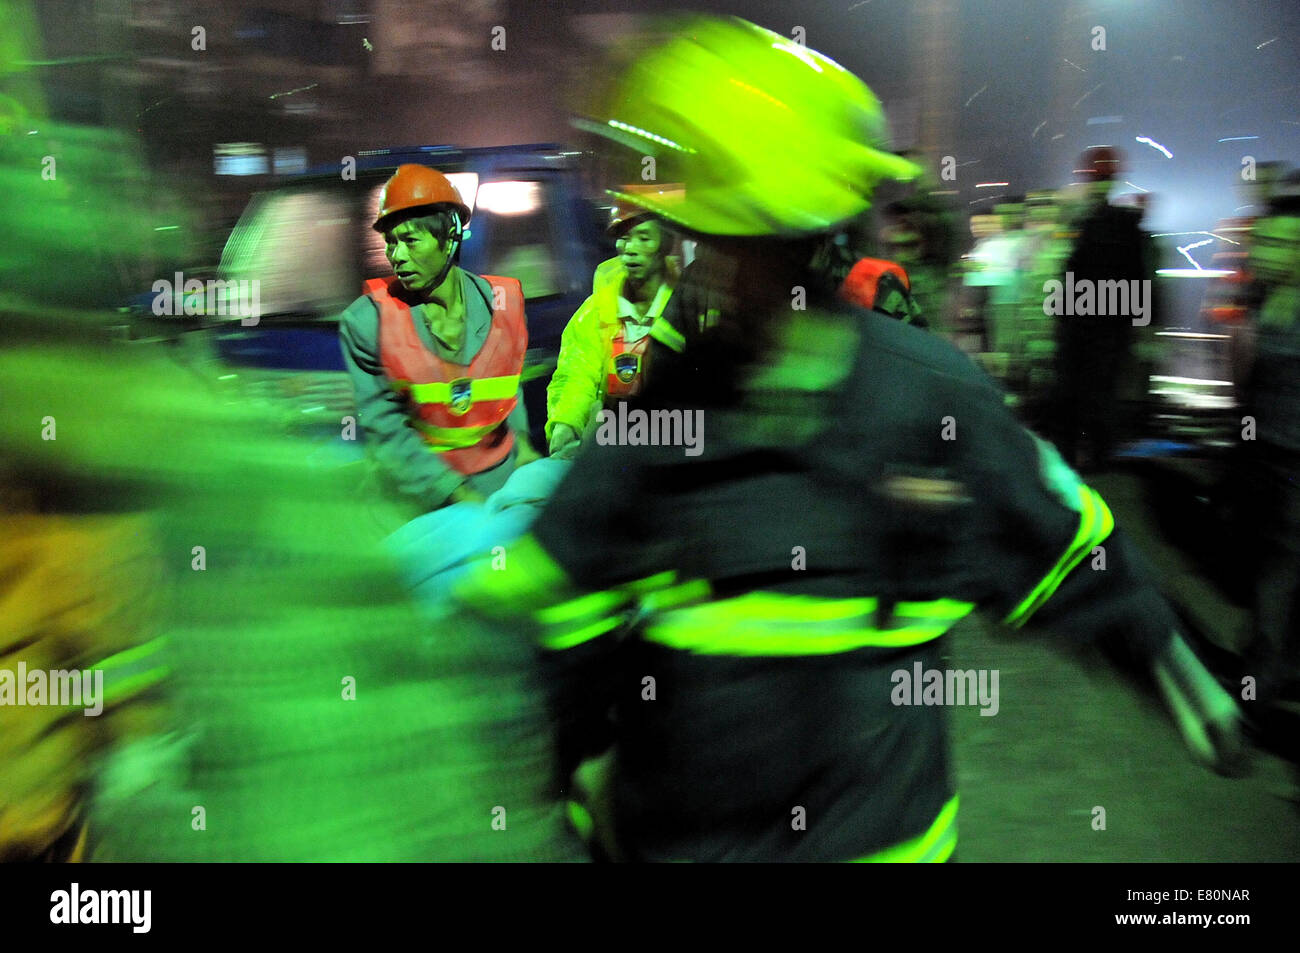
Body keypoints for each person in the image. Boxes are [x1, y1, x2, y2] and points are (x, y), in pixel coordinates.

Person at [452, 15, 1244, 862]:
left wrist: (1184, 680)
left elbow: (1071, 557)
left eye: (749, 249)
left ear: (821, 242)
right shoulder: (665, 413)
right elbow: (569, 593)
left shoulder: (934, 402)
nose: (719, 272)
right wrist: (583, 762)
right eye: (707, 244)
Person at [339, 164, 536, 517]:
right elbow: (387, 432)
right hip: (417, 499)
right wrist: (456, 495)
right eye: (391, 242)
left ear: (450, 238)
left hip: (500, 481)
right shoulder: (366, 321)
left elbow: (510, 385)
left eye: (411, 241)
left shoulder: (504, 302)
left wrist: (524, 452)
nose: (396, 256)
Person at [546, 197, 682, 459]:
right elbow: (578, 370)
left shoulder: (686, 305)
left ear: (666, 245)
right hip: (610, 446)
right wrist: (566, 423)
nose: (630, 248)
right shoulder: (598, 308)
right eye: (624, 238)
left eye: (644, 238)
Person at [1049, 146, 1157, 472]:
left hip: (1091, 326)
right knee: (1094, 397)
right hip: (1102, 326)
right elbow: (1139, 277)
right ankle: (1095, 462)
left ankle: (1083, 462)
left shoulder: (1089, 220)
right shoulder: (1121, 224)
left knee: (1079, 397)